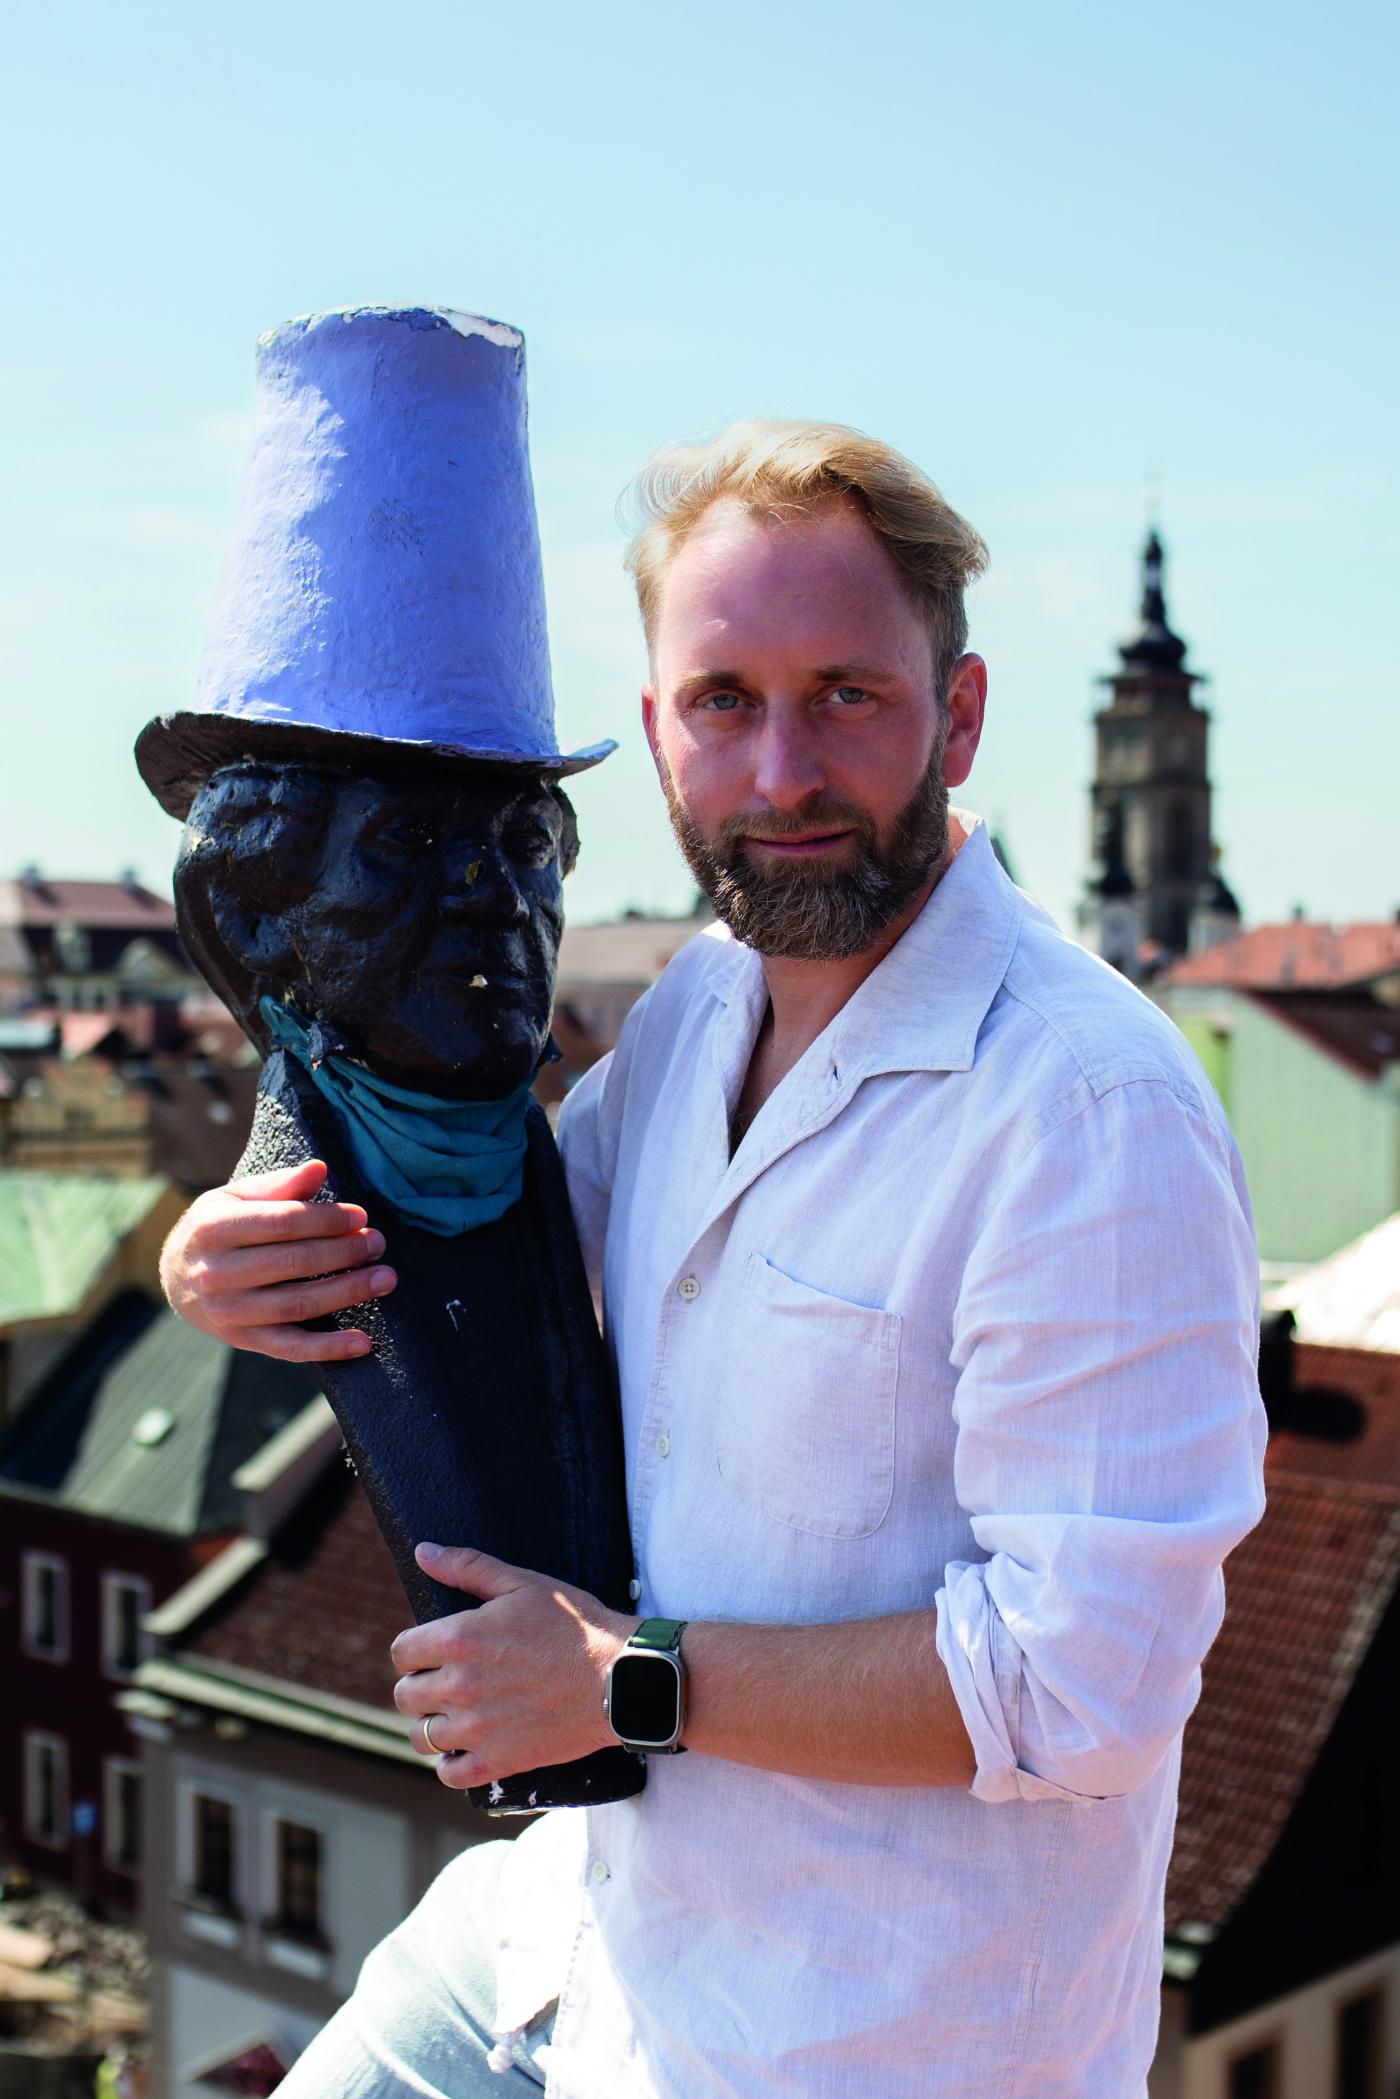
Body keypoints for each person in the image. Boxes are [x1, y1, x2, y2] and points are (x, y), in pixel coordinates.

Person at [159, 421, 1267, 2099]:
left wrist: (626, 1683)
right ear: (661, 729)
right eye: (724, 702)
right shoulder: (700, 1007)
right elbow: (514, 1242)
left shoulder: (1091, 1111)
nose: (781, 774)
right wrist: (230, 1242)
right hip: (576, 1945)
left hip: (844, 2042)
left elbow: (1080, 1688)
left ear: (960, 715)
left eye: (847, 695)